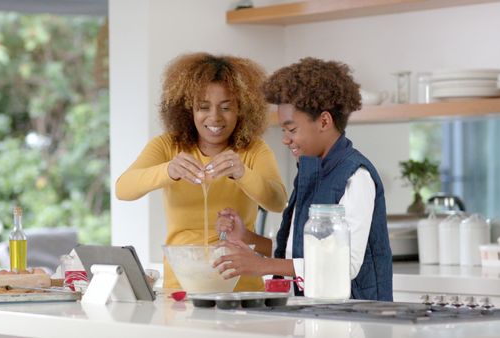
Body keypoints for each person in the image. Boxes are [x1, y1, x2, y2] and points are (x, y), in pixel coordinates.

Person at [214, 57, 393, 301]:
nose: (285, 139)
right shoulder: (311, 172)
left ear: (324, 121)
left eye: (292, 129)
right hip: (318, 313)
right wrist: (246, 238)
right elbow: (293, 251)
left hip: (357, 319)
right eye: (283, 130)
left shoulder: (356, 177)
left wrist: (261, 265)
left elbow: (345, 267)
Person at [115, 52, 287, 291]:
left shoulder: (254, 150)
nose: (214, 117)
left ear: (242, 110)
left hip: (241, 287)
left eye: (226, 107)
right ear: (188, 110)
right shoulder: (168, 146)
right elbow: (123, 188)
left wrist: (242, 173)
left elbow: (277, 201)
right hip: (181, 287)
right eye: (203, 107)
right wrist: (169, 170)